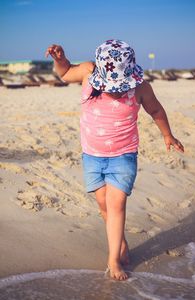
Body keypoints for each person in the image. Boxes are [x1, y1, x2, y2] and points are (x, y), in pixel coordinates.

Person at [45, 39, 184, 281]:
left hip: (123, 155)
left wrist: (167, 134)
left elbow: (156, 110)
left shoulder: (140, 88)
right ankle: (119, 241)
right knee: (103, 205)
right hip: (92, 156)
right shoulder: (88, 72)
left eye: (121, 85)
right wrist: (60, 60)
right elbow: (66, 73)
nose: (116, 89)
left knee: (117, 204)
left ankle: (114, 260)